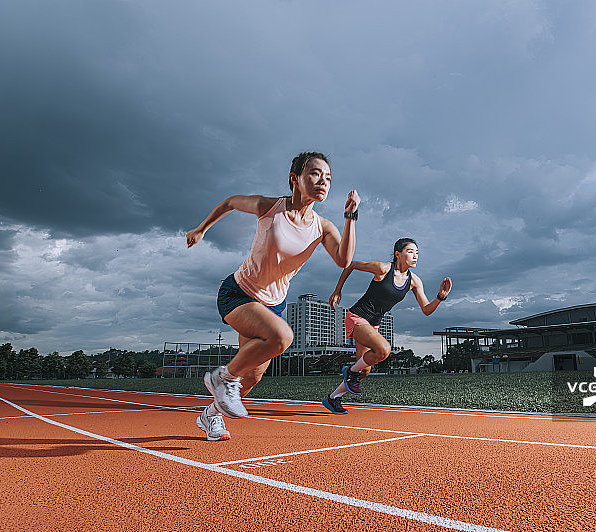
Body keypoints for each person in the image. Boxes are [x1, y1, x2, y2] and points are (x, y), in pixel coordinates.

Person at [187, 152, 359, 440]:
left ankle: (210, 416)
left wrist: (350, 217)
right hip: (238, 294)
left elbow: (344, 260)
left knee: (252, 378)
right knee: (281, 338)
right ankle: (221, 377)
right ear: (295, 178)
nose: (323, 182)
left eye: (328, 178)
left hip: (272, 306)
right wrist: (201, 228)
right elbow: (231, 202)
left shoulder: (322, 227)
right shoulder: (269, 207)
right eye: (316, 174)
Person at [322, 238, 452, 414]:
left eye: (417, 253)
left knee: (364, 371)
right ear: (398, 254)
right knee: (384, 349)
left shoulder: (414, 281)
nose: (415, 256)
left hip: (373, 325)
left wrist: (440, 297)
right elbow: (351, 265)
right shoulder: (383, 269)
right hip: (357, 317)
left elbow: (426, 310)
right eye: (411, 252)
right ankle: (350, 371)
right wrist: (338, 290)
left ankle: (333, 398)